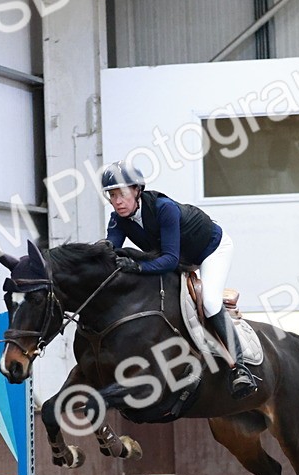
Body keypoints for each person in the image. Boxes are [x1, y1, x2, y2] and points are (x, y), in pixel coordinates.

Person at [101, 160, 257, 399]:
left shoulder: (164, 208)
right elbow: (109, 252)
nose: (117, 201)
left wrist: (136, 266)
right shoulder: (118, 219)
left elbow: (170, 260)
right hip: (180, 256)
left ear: (136, 190)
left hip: (210, 250)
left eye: (122, 193)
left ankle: (240, 368)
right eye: (112, 195)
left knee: (211, 302)